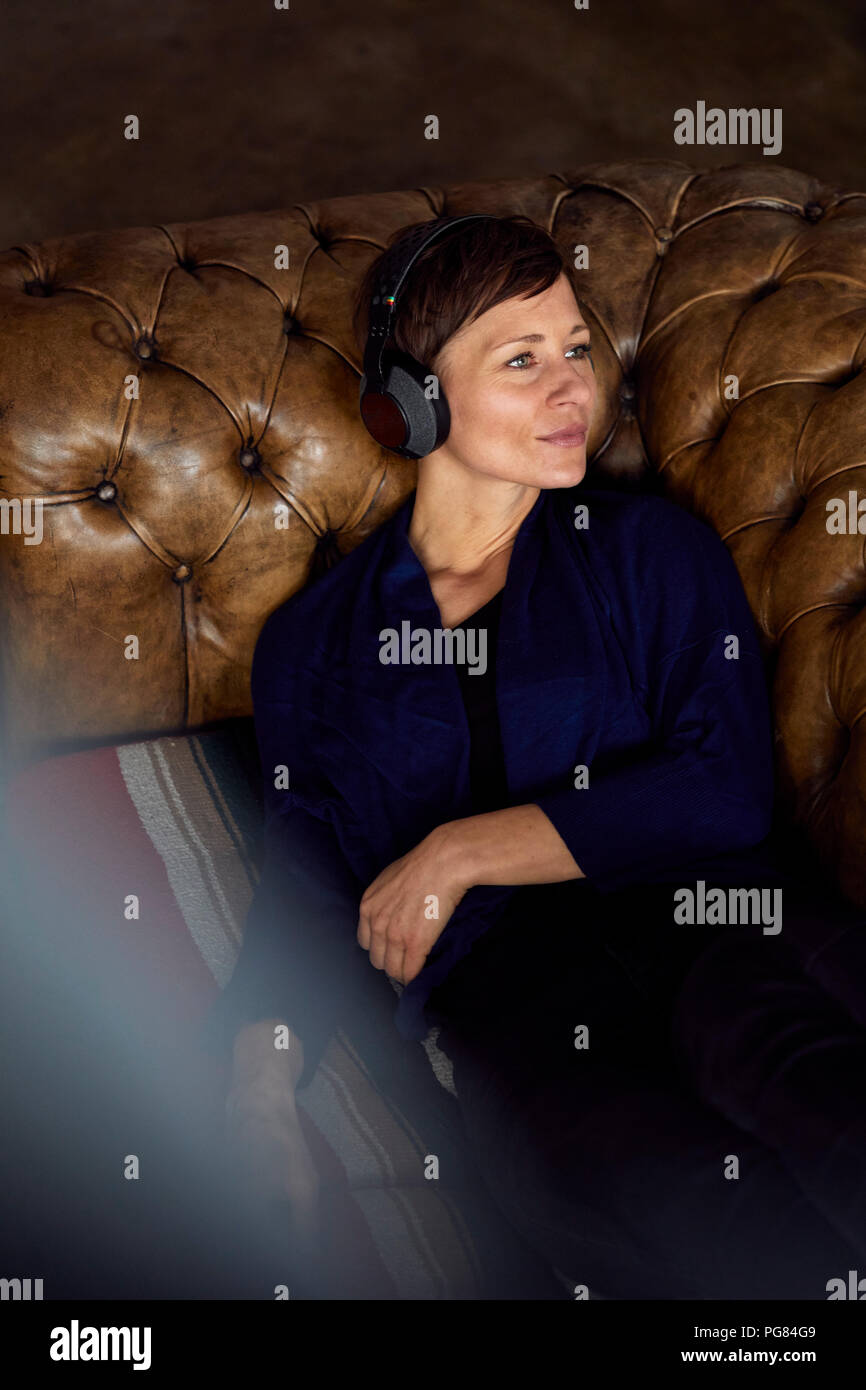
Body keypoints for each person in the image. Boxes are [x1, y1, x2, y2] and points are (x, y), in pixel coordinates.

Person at [204, 214, 866, 1299]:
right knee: (660, 1209)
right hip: (517, 1009)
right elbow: (308, 878)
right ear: (411, 402)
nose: (572, 390)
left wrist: (462, 849)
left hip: (713, 923)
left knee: (802, 1071)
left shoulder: (650, 551)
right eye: (522, 360)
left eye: (574, 350)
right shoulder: (315, 644)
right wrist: (260, 1092)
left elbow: (725, 787)